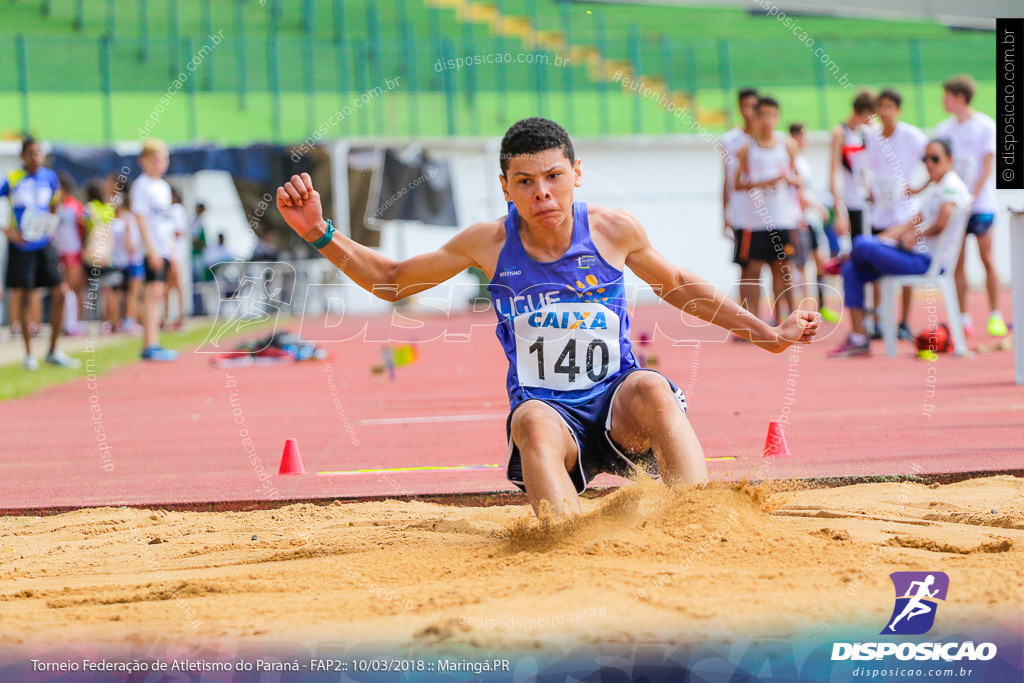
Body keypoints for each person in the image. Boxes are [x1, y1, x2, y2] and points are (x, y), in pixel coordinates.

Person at [275, 117, 820, 519]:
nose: (542, 193)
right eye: (526, 182)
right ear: (506, 187)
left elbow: (677, 286)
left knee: (653, 387)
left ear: (576, 174)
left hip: (618, 406)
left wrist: (769, 334)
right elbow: (392, 279)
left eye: (554, 177)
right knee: (529, 421)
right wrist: (319, 233)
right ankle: (566, 540)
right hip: (552, 422)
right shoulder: (488, 243)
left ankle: (701, 521)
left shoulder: (612, 230)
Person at [829, 139, 971, 358]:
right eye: (925, 159)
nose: (929, 164)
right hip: (913, 256)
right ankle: (858, 339)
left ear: (949, 159)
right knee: (853, 267)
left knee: (862, 244)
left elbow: (942, 223)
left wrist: (915, 235)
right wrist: (882, 240)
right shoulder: (937, 189)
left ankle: (844, 258)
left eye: (935, 159)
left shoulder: (951, 187)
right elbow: (907, 224)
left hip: (928, 262)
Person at [934, 74, 1005, 337]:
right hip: (956, 207)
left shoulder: (985, 126)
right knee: (958, 261)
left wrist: (972, 195)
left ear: (959, 98)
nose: (943, 101)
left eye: (947, 96)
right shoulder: (944, 130)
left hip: (981, 204)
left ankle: (995, 314)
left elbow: (988, 165)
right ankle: (962, 317)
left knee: (987, 257)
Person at [0, 136, 80, 370]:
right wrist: (8, 232)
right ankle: (28, 354)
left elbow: (55, 204)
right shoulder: (13, 178)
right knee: (25, 296)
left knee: (61, 291)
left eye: (39, 153)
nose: (36, 157)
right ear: (23, 156)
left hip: (44, 244)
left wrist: (50, 224)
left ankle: (54, 349)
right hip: (22, 246)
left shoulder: (50, 177)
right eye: (31, 153)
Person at [864, 89, 928, 340]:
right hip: (880, 214)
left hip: (903, 216)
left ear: (898, 110)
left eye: (890, 107)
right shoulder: (872, 137)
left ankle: (904, 321)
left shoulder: (912, 136)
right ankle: (879, 321)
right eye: (881, 107)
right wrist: (870, 190)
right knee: (876, 269)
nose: (885, 112)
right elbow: (866, 168)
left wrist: (919, 187)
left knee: (906, 269)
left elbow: (936, 160)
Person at [734, 96, 801, 321]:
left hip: (782, 218)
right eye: (763, 115)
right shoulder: (747, 148)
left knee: (782, 269)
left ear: (777, 117)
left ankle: (786, 317)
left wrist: (788, 180)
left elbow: (800, 179)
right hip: (755, 220)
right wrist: (764, 182)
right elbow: (738, 183)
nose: (767, 121)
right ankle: (753, 319)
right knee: (752, 269)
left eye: (772, 116)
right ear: (757, 116)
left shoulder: (787, 145)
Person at [129, 138, 178, 360]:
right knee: (152, 294)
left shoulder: (164, 187)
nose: (159, 164)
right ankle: (150, 343)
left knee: (159, 294)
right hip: (153, 249)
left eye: (163, 159)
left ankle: (154, 340)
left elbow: (166, 223)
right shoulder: (142, 185)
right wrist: (151, 249)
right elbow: (140, 218)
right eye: (155, 159)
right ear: (144, 161)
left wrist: (171, 250)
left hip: (165, 248)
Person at [789, 122, 839, 323]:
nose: (806, 140)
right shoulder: (792, 161)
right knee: (799, 265)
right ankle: (800, 308)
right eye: (803, 136)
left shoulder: (803, 161)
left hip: (809, 220)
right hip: (799, 220)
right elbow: (798, 193)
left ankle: (821, 305)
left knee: (820, 262)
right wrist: (818, 207)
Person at [721, 88, 759, 312]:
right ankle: (749, 319)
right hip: (742, 213)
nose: (748, 112)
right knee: (747, 267)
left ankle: (779, 318)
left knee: (776, 266)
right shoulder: (730, 141)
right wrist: (724, 214)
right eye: (743, 106)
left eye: (752, 107)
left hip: (769, 214)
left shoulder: (770, 140)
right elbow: (725, 181)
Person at [830, 89, 876, 239]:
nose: (870, 121)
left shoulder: (873, 130)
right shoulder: (841, 133)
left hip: (873, 202)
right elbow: (833, 172)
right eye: (868, 117)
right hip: (852, 203)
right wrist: (839, 212)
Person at [54, 172, 87, 336]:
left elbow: (85, 228)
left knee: (73, 288)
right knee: (62, 289)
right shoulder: (53, 206)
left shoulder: (76, 206)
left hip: (73, 251)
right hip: (57, 253)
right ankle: (64, 322)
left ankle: (74, 323)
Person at [162, 188, 188, 331]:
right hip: (168, 254)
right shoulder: (167, 211)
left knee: (176, 287)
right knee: (166, 287)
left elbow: (178, 231)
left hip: (175, 254)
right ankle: (166, 317)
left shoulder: (176, 210)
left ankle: (180, 317)